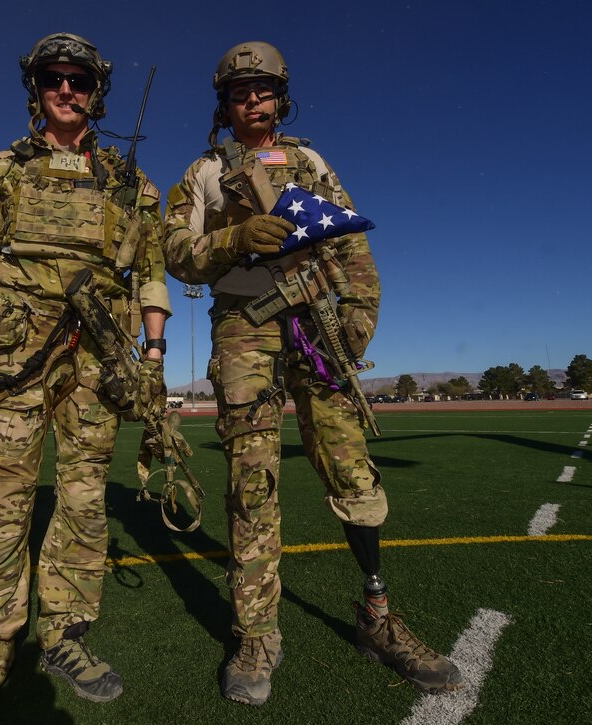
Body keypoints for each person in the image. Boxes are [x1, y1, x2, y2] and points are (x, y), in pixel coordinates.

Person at [162, 41, 464, 706]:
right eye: (239, 90)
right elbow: (175, 251)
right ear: (225, 103)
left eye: (262, 87)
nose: (252, 98)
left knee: (351, 467)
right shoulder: (204, 172)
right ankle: (257, 634)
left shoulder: (311, 161)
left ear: (280, 95)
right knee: (252, 478)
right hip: (243, 327)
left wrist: (356, 321)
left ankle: (379, 616)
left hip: (316, 319)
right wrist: (233, 240)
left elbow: (352, 239)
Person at [0, 32, 171, 722]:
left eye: (79, 80)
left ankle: (66, 635)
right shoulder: (3, 168)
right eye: (52, 78)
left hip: (99, 355)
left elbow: (151, 274)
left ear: (97, 92)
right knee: (3, 508)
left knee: (86, 498)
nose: (66, 89)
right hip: (16, 351)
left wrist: (152, 357)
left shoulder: (132, 184)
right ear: (35, 89)